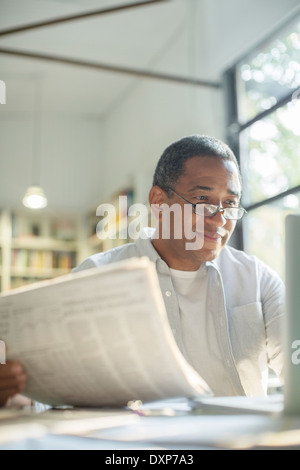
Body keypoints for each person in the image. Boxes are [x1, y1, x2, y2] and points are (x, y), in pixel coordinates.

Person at [0, 134, 285, 406]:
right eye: (202, 201)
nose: (219, 220)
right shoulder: (98, 276)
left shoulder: (257, 279)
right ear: (159, 202)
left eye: (230, 203)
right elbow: (53, 389)